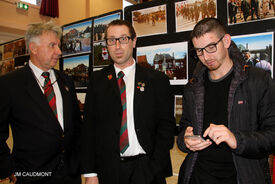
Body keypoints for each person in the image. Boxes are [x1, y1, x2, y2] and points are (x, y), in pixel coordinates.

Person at [177, 18, 275, 184]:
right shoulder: (192, 87)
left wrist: (236, 139)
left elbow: (272, 135)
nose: (206, 57)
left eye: (211, 47)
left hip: (243, 177)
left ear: (226, 41)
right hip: (198, 176)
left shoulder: (258, 80)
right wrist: (185, 140)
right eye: (199, 51)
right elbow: (184, 128)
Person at [81, 19, 175, 184]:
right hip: (108, 170)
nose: (117, 46)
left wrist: (154, 166)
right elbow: (89, 129)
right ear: (106, 45)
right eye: (111, 40)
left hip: (147, 168)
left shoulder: (156, 80)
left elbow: (166, 127)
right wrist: (90, 173)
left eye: (123, 39)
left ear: (134, 41)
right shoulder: (97, 80)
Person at [0, 22, 82, 184]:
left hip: (69, 175)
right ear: (34, 48)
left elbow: (76, 126)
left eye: (58, 46)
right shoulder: (9, 84)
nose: (59, 52)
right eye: (52, 45)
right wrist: (7, 168)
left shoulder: (66, 80)